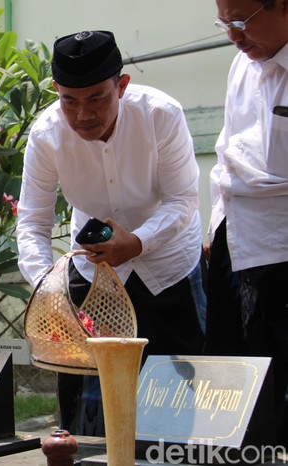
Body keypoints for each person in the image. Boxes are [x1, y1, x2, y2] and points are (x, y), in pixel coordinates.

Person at [16, 31, 206, 434]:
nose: (83, 114)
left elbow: (182, 199)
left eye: (97, 98)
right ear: (56, 91)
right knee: (87, 407)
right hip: (92, 274)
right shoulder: (46, 134)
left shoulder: (161, 114)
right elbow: (32, 222)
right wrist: (47, 291)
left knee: (178, 402)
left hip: (168, 267)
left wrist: (137, 242)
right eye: (69, 100)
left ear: (121, 86)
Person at [208, 0, 288, 445]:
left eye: (241, 21)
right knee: (239, 384)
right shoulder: (242, 64)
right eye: (224, 23)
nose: (234, 36)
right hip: (236, 240)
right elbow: (227, 155)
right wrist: (216, 224)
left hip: (283, 245)